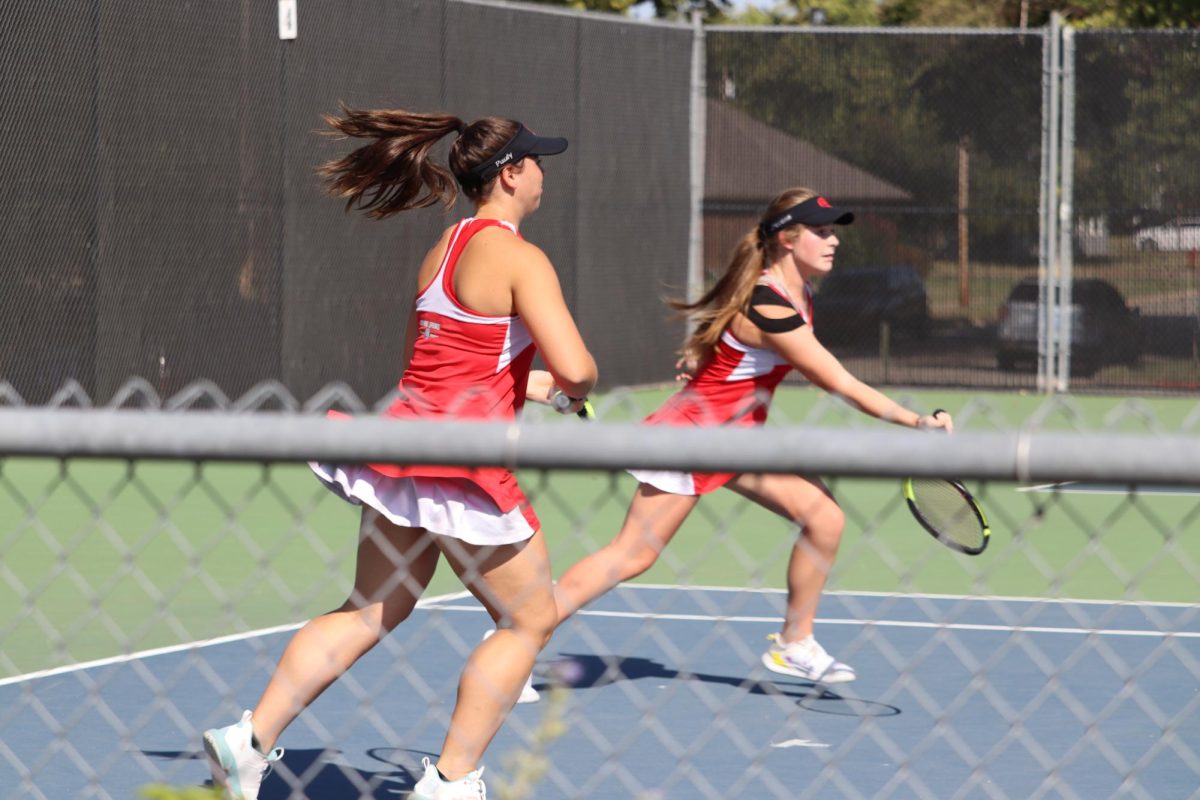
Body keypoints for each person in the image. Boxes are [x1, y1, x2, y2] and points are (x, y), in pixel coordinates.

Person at [202, 107, 597, 800]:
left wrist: (532, 389)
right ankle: (451, 780)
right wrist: (572, 382)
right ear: (511, 174)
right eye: (537, 161)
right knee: (529, 620)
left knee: (370, 608)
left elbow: (459, 361)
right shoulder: (521, 257)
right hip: (461, 466)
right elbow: (580, 368)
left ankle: (248, 742)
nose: (543, 174)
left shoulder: (444, 248)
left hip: (399, 447)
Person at [515, 186, 952, 702]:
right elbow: (838, 382)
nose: (834, 242)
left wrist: (704, 360)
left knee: (824, 517)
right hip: (694, 440)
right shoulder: (770, 305)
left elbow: (726, 345)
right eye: (822, 231)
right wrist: (917, 422)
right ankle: (517, 641)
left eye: (834, 231)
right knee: (630, 556)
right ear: (788, 239)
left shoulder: (790, 294)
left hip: (736, 440)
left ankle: (795, 641)